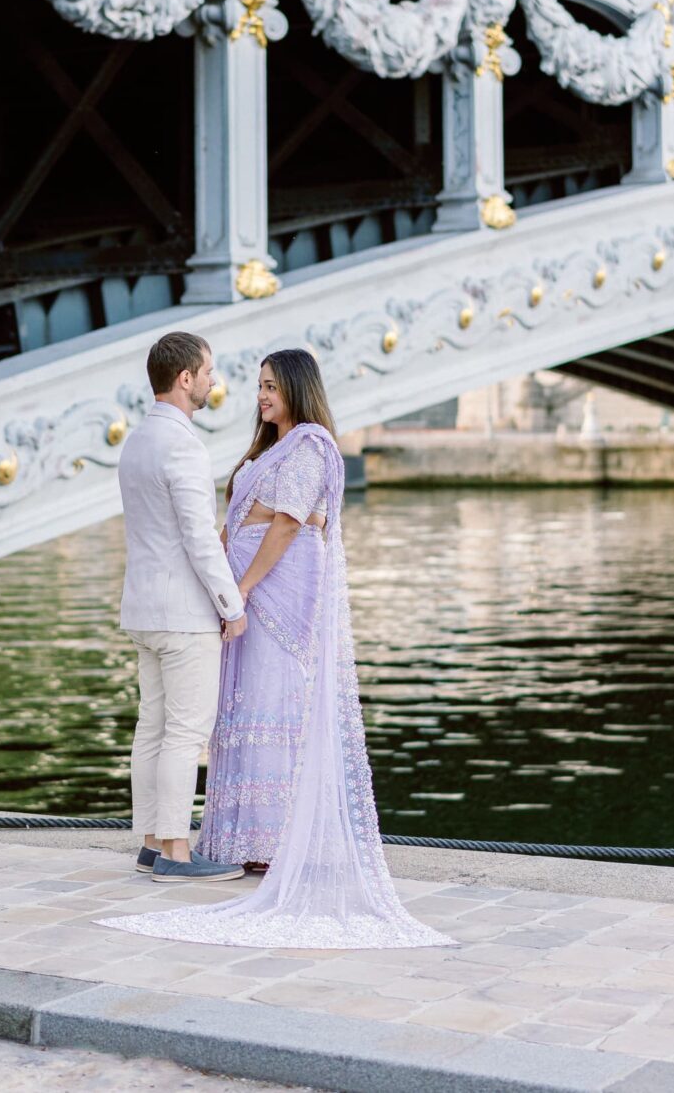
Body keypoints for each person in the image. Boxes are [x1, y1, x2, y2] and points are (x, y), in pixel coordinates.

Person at [100, 348, 452, 949]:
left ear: (296, 387)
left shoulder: (311, 446)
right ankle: (223, 840)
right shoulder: (263, 450)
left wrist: (237, 588)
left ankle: (265, 841)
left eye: (269, 386)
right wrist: (226, 585)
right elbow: (229, 526)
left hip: (273, 596)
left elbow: (286, 525)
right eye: (257, 385)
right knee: (221, 715)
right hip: (236, 601)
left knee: (263, 704)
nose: (259, 395)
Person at [117, 331, 248, 883]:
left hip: (143, 609)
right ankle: (175, 851)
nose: (214, 380)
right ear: (184, 379)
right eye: (208, 371)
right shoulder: (184, 446)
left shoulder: (137, 441)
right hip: (183, 615)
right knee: (185, 732)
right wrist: (232, 604)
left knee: (151, 726)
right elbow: (198, 538)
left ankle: (149, 841)